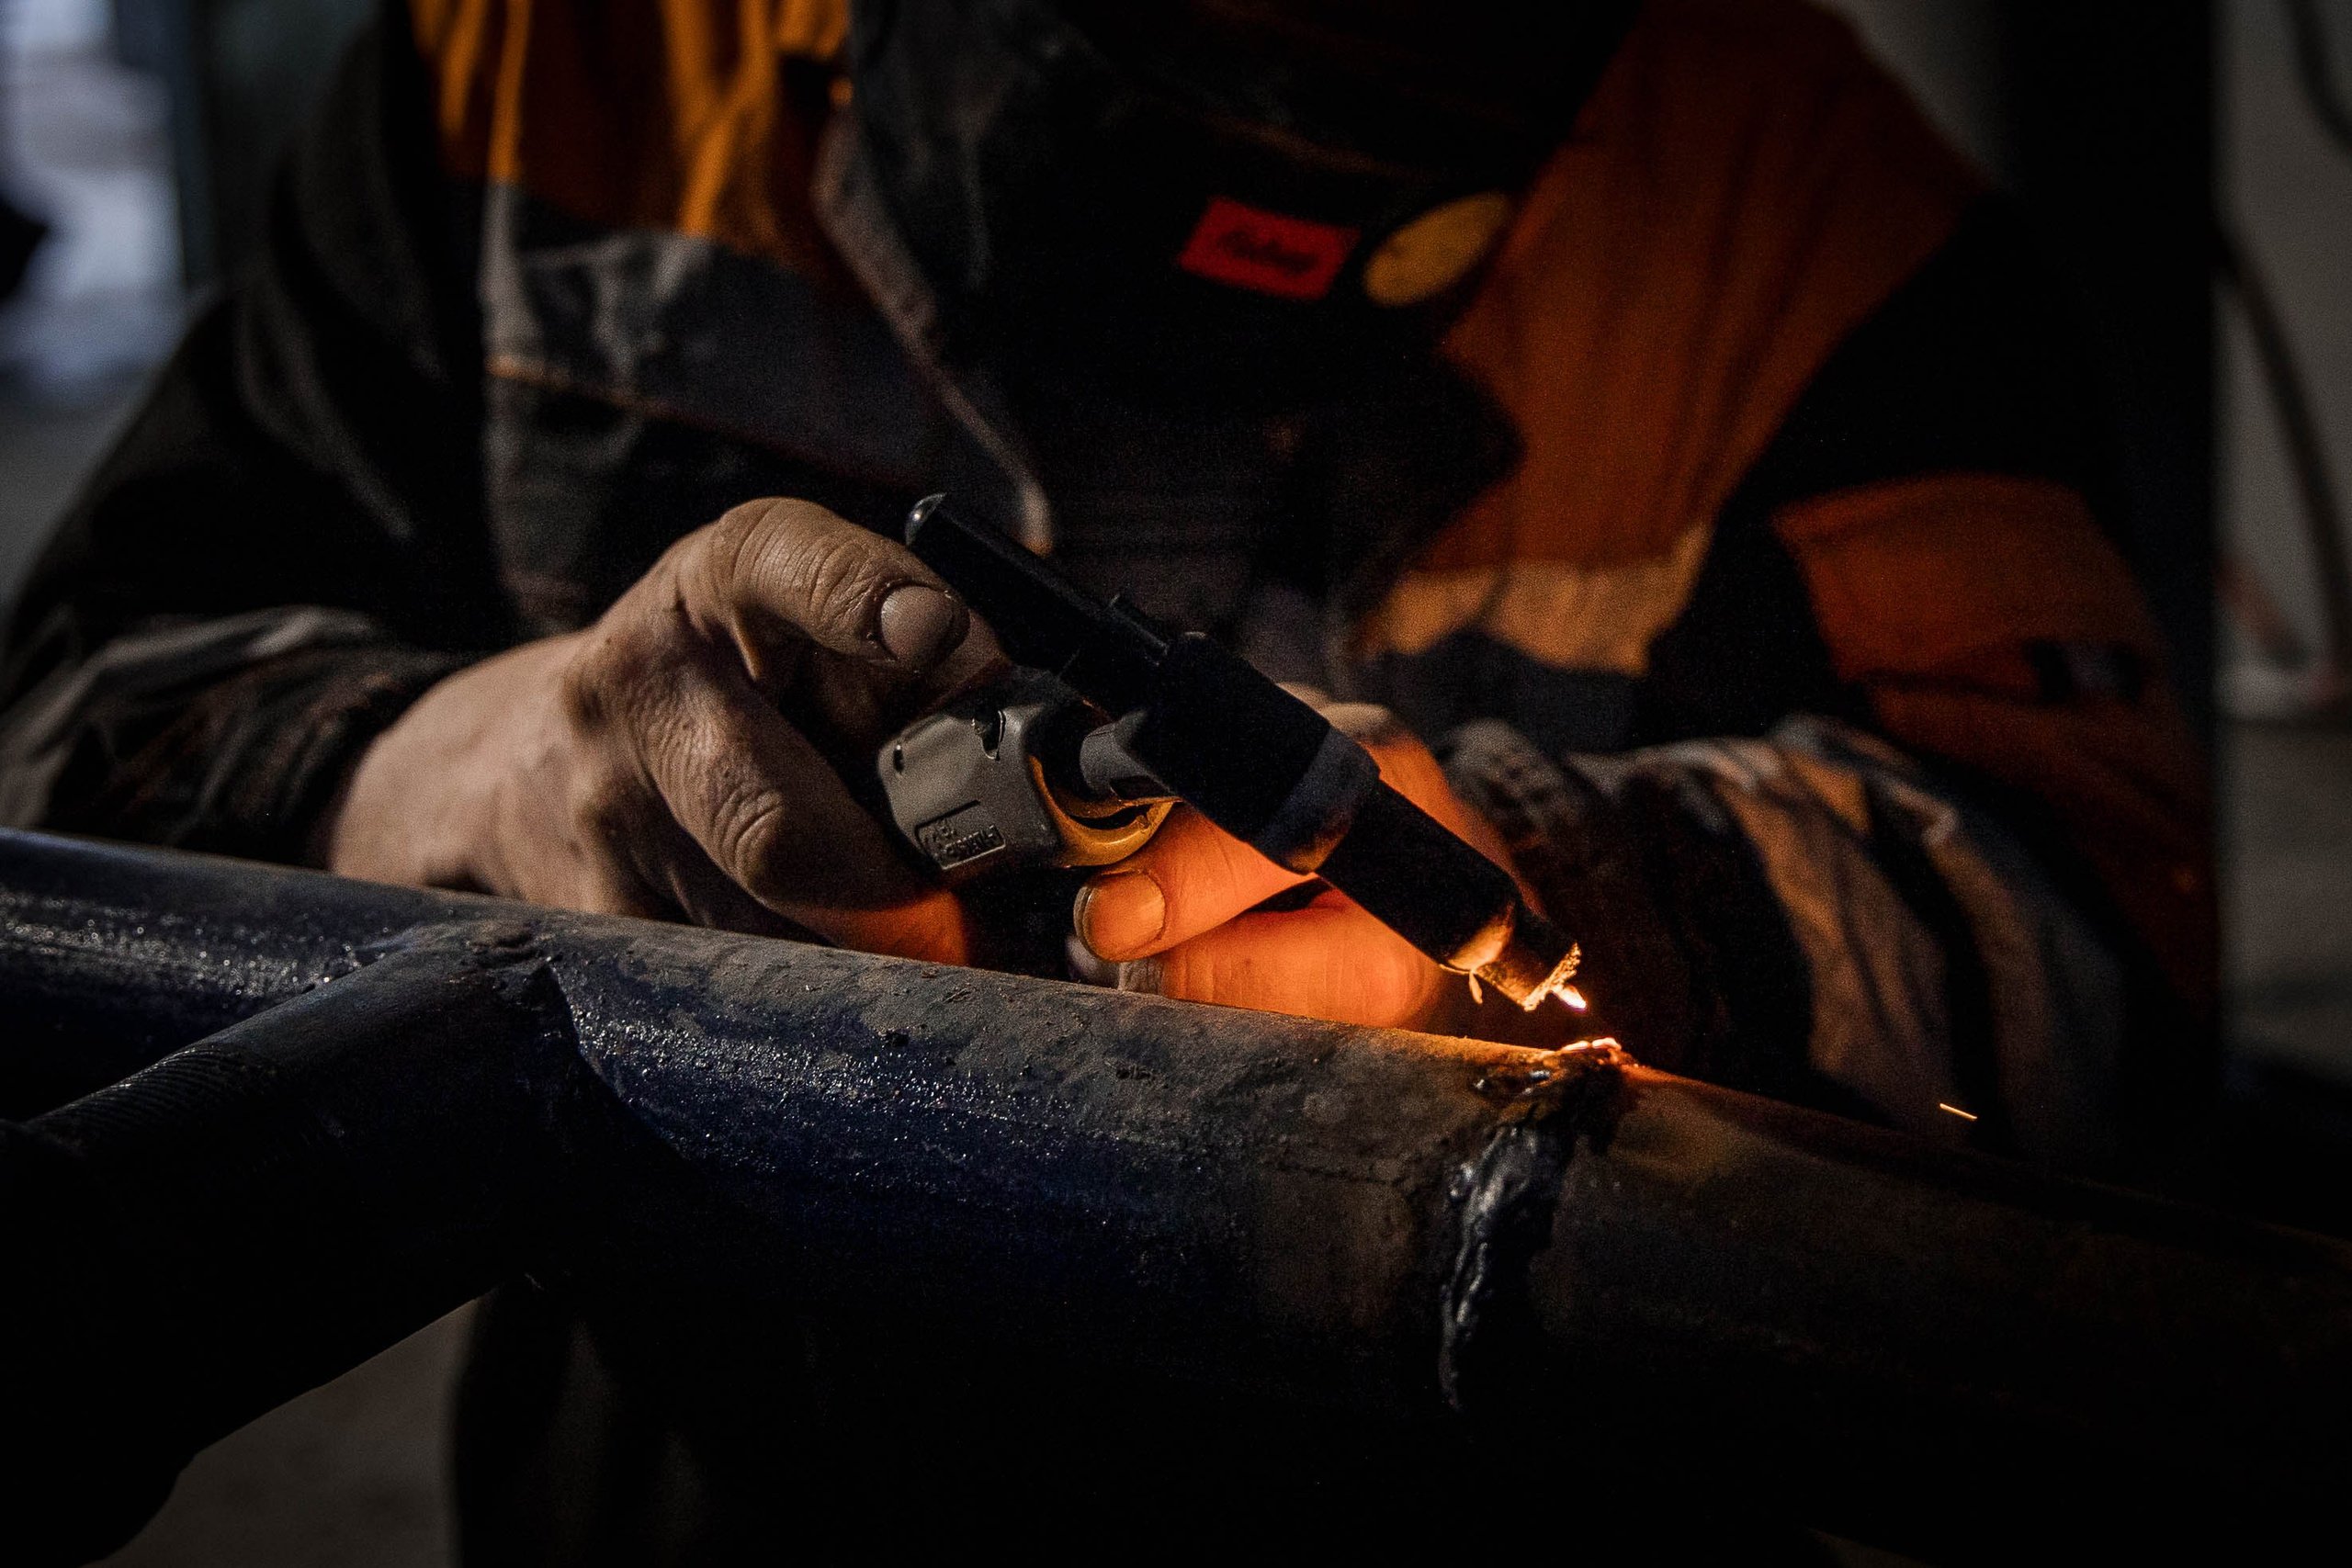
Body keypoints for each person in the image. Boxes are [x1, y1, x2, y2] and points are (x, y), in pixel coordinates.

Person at [0, 0, 2211, 1548]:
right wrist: (471, 769)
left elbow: (2100, 937)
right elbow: (73, 742)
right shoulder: (543, 58)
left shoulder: (1806, 204)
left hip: (1509, 1477)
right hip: (694, 1469)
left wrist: (1565, 885)